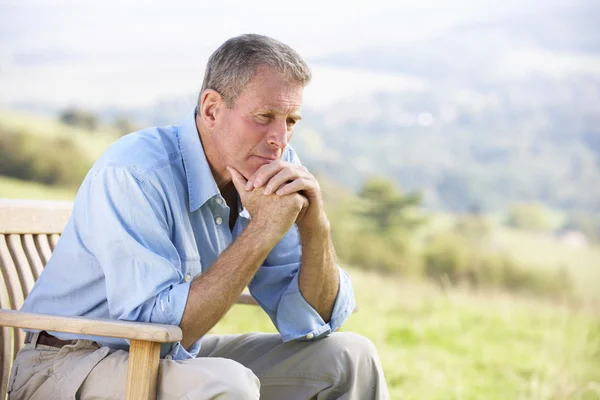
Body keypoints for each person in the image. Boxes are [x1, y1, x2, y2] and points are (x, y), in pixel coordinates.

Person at [9, 34, 389, 399]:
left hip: (169, 358)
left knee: (350, 358)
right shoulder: (136, 173)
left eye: (291, 121)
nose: (280, 138)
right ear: (211, 109)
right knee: (227, 385)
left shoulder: (272, 166)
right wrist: (261, 231)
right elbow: (153, 328)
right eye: (264, 116)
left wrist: (314, 225)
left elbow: (314, 318)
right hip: (67, 367)